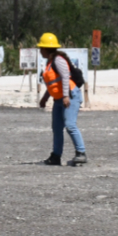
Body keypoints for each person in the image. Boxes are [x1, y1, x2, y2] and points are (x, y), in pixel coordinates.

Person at [37, 32, 87, 167]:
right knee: (57, 128)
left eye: (41, 47)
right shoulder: (49, 62)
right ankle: (56, 156)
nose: (40, 50)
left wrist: (65, 96)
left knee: (70, 125)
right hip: (59, 99)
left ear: (46, 48)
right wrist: (45, 98)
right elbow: (54, 83)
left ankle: (81, 153)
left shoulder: (58, 60)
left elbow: (65, 77)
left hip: (70, 96)